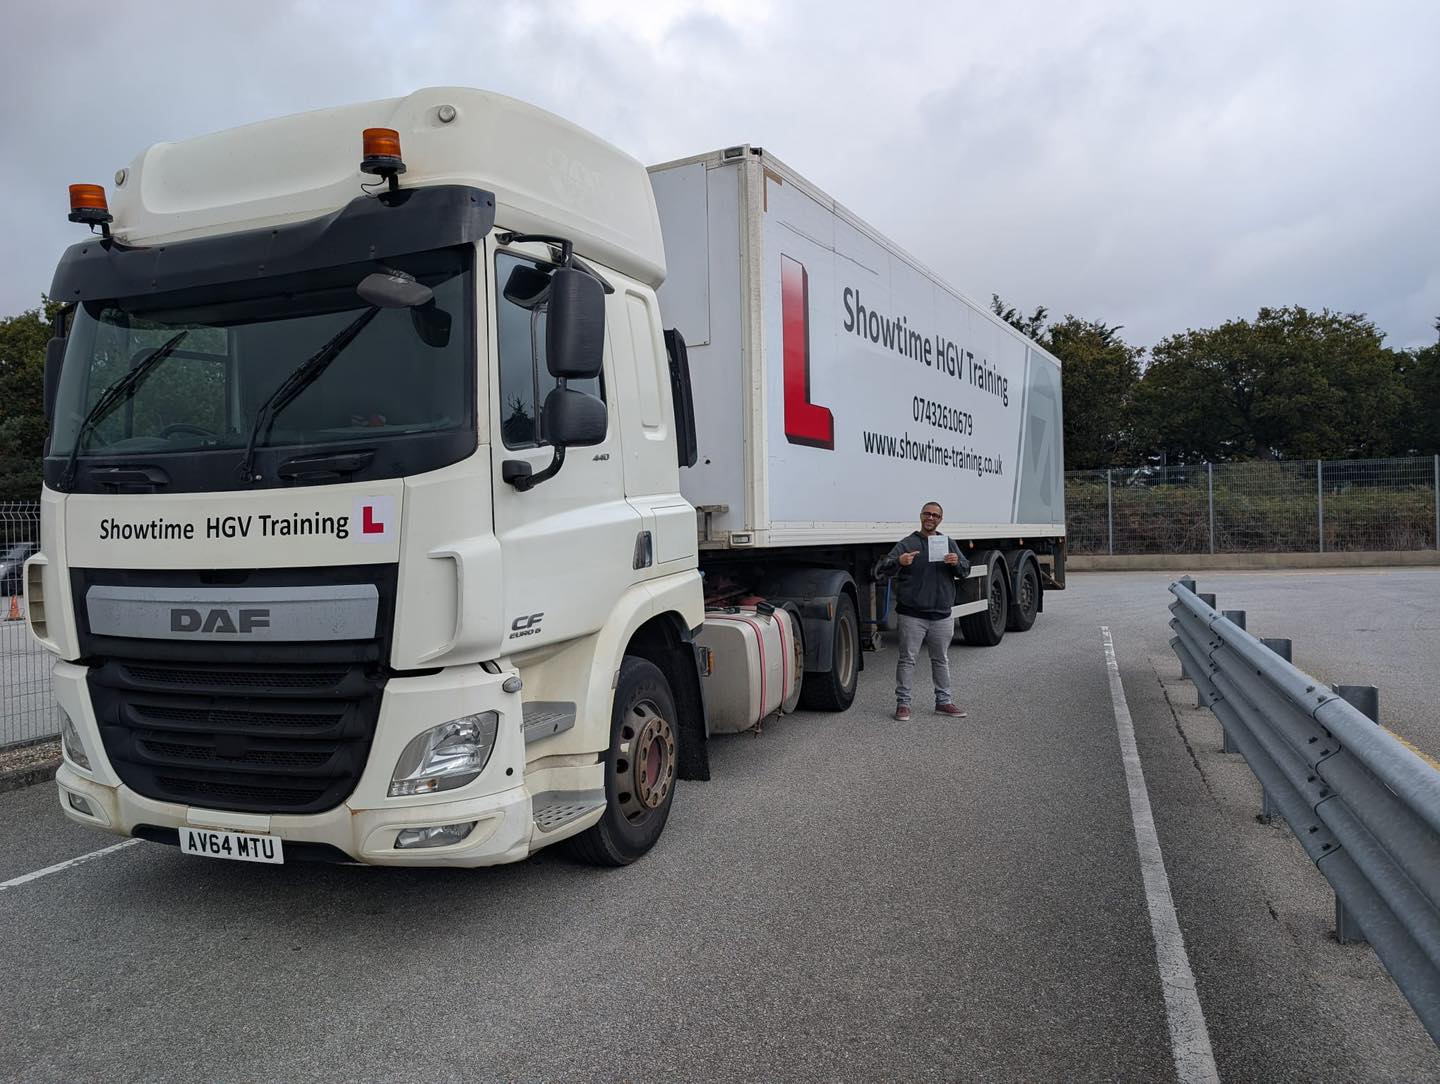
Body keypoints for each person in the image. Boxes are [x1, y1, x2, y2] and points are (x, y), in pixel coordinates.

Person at [876, 501, 970, 721]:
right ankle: (903, 704)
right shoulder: (908, 543)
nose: (931, 518)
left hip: (941, 614)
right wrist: (900, 561)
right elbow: (884, 567)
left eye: (935, 515)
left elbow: (965, 570)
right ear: (920, 516)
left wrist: (956, 563)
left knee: (941, 659)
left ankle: (943, 702)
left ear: (940, 519)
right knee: (907, 659)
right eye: (927, 514)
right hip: (912, 614)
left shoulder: (947, 543)